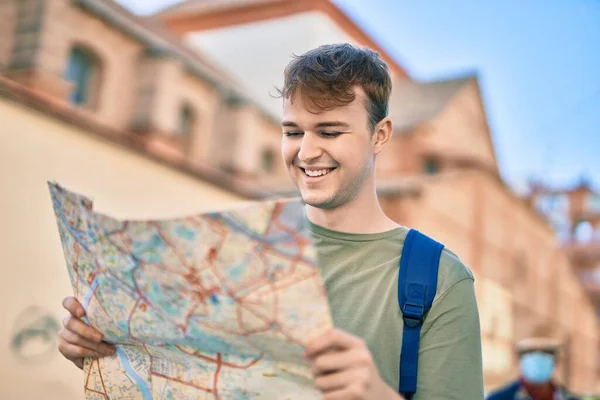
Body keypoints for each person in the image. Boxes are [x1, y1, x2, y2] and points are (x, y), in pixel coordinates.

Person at [58, 43, 484, 399]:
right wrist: (104, 352)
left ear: (380, 135)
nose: (306, 152)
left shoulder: (439, 279)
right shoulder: (225, 250)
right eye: (294, 132)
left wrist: (377, 393)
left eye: (330, 132)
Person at [486, 325, 580, 400]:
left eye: (546, 352)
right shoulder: (499, 398)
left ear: (556, 360)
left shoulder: (568, 398)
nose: (539, 357)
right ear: (520, 358)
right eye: (531, 351)